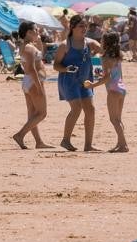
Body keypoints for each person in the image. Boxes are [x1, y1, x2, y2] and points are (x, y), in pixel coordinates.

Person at [53, 14, 100, 151]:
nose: (84, 28)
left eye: (85, 25)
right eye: (81, 26)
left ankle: (88, 145)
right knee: (76, 108)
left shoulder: (89, 43)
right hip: (68, 81)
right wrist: (66, 69)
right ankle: (65, 140)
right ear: (72, 27)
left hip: (85, 80)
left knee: (90, 110)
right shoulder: (65, 45)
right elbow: (56, 65)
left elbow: (100, 49)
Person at [84, 32, 129, 152]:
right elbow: (118, 75)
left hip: (113, 90)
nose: (101, 42)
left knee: (114, 120)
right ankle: (120, 144)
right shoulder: (118, 56)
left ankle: (123, 145)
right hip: (121, 89)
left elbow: (107, 77)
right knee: (118, 120)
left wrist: (93, 85)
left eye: (102, 41)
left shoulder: (105, 58)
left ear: (106, 43)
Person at [12, 21, 53, 149]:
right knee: (42, 113)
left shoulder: (27, 46)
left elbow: (39, 56)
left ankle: (39, 142)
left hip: (28, 82)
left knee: (33, 114)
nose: (38, 32)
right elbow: (31, 69)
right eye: (36, 30)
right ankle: (20, 135)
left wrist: (39, 43)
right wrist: (39, 87)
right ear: (29, 32)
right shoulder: (29, 48)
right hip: (34, 82)